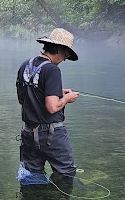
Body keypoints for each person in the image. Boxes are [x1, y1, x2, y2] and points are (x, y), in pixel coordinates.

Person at [16, 28, 80, 185]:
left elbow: (22, 98)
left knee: (31, 174)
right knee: (66, 172)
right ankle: (57, 199)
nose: (64, 59)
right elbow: (52, 107)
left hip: (29, 132)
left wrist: (56, 92)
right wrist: (66, 99)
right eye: (66, 55)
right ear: (59, 49)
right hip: (51, 135)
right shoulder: (52, 70)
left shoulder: (26, 65)